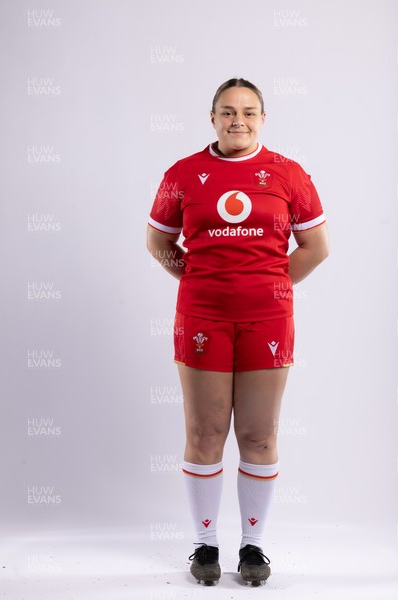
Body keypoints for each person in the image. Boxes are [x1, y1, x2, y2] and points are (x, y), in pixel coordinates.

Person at [146, 77, 329, 586]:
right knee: (204, 434)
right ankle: (205, 547)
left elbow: (317, 246)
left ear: (263, 119)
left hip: (267, 320)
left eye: (248, 112)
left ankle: (253, 547)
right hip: (201, 317)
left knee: (258, 434)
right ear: (212, 118)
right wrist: (202, 279)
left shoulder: (288, 174)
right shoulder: (183, 174)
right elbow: (157, 241)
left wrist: (269, 286)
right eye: (227, 112)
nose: (238, 121)